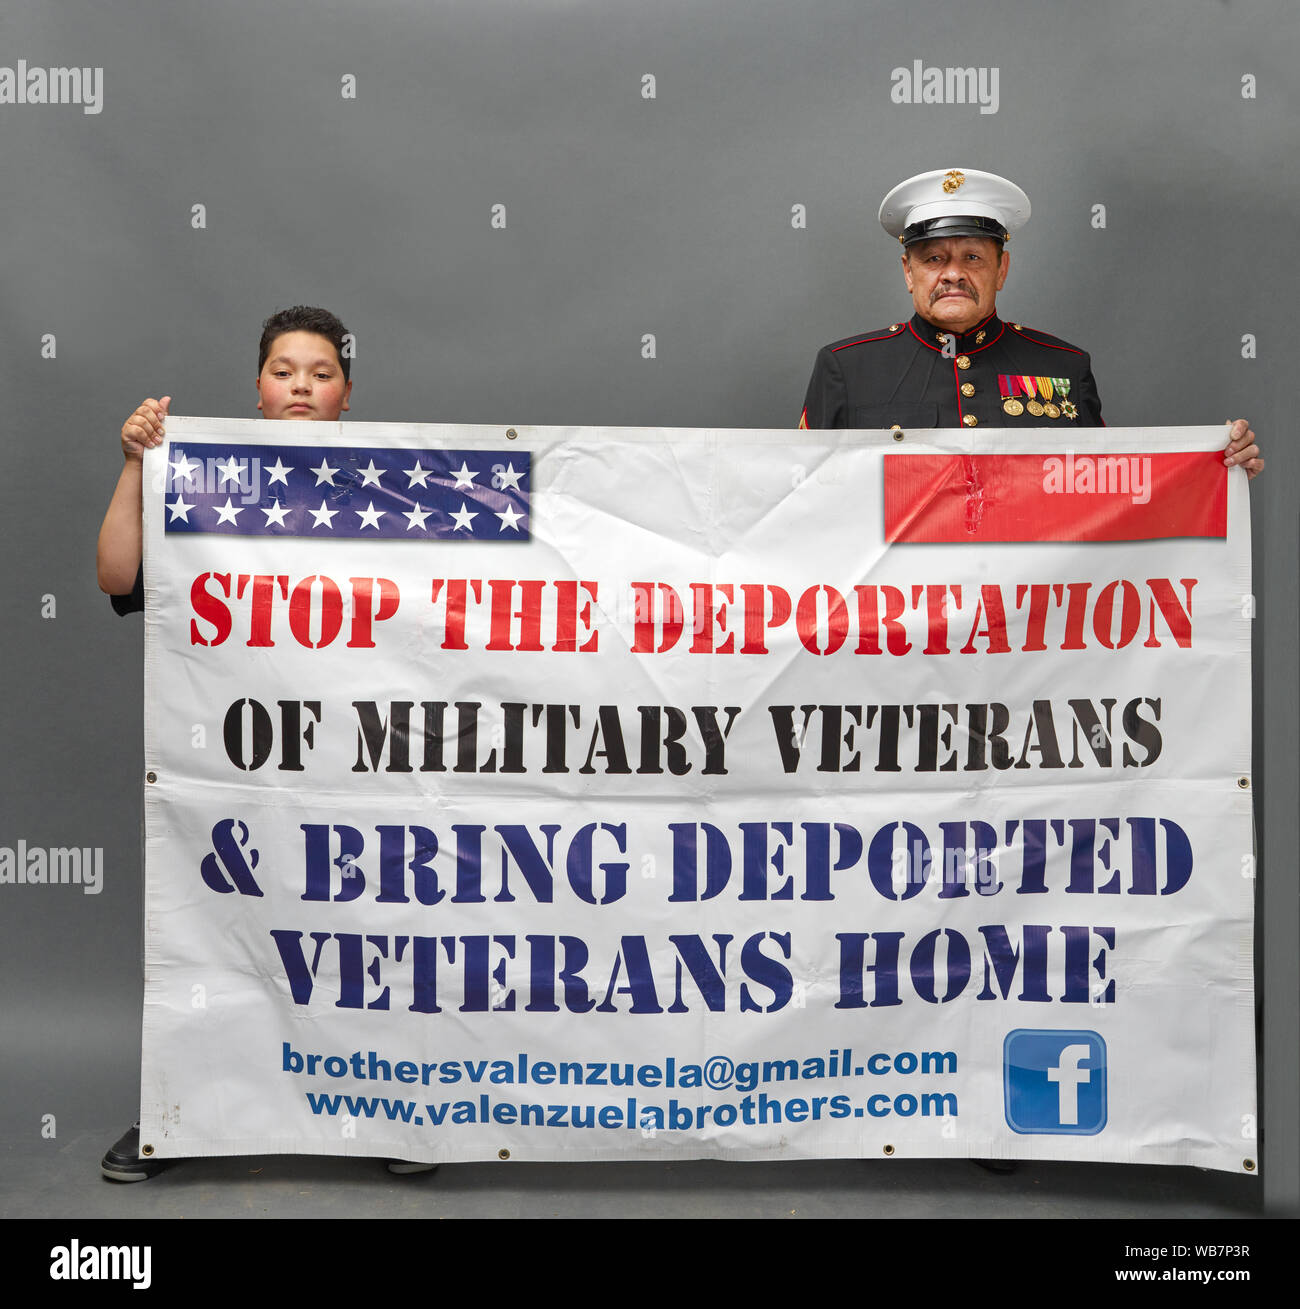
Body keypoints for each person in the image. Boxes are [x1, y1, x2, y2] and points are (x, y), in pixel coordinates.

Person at [97, 306, 432, 1180]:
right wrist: (139, 466)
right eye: (285, 370)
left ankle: (394, 1116)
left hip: (363, 767)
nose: (301, 387)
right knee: (222, 941)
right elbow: (118, 576)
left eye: (321, 373)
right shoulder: (205, 481)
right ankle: (178, 1115)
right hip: (241, 772)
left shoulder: (393, 486)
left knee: (368, 939)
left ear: (346, 393)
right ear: (258, 384)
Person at [798, 168, 1262, 478]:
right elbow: (795, 497)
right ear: (908, 273)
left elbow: (1110, 488)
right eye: (934, 258)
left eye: (973, 257)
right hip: (901, 616)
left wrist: (1213, 464)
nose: (953, 273)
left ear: (1002, 270)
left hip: (1027, 618)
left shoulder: (1064, 366)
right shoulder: (846, 368)